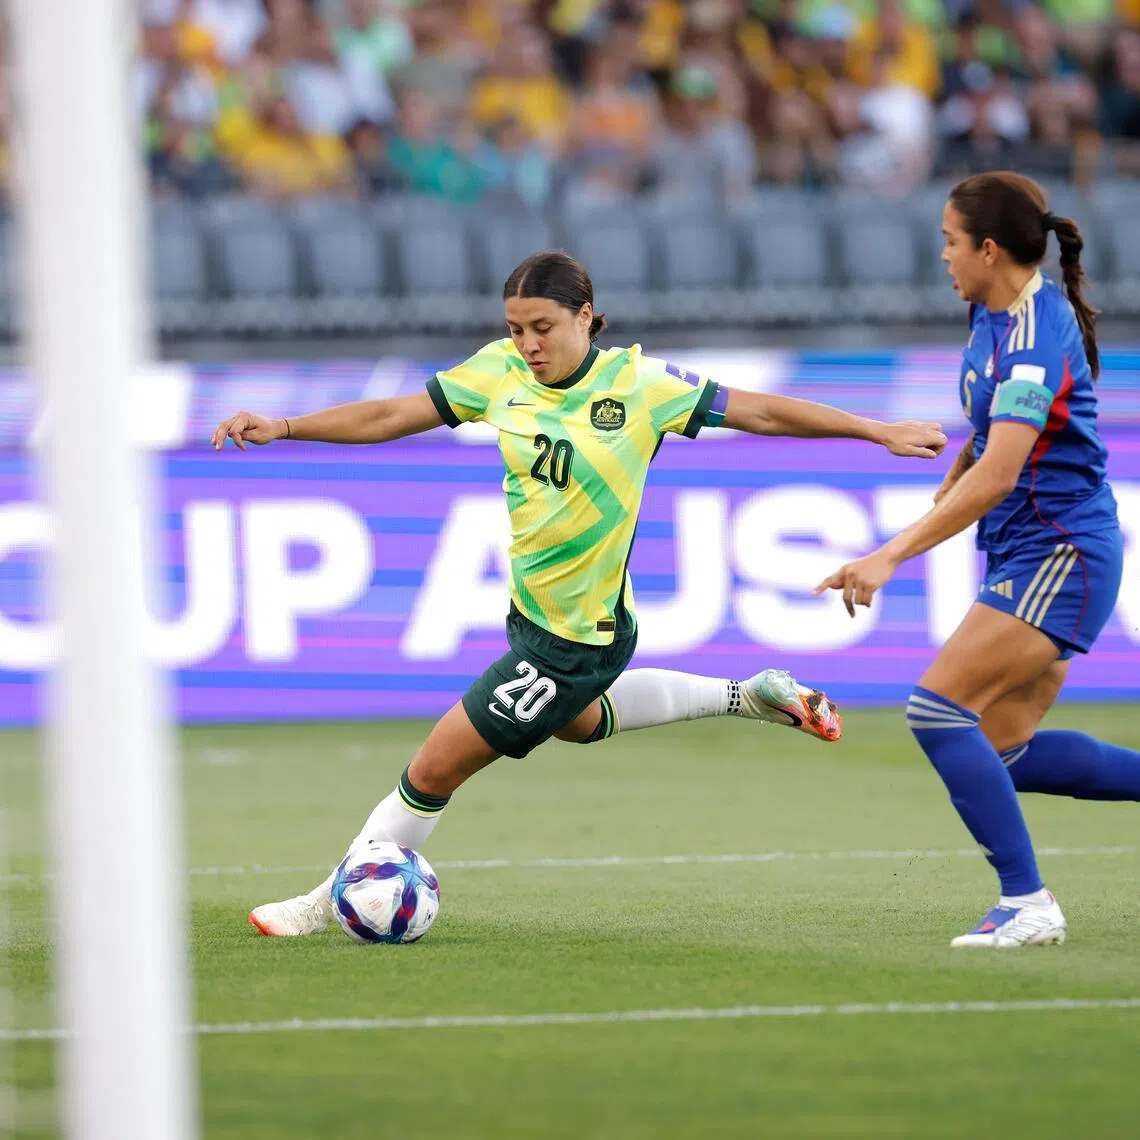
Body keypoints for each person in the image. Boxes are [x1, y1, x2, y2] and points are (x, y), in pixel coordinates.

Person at [212, 250, 947, 937]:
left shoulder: (638, 387)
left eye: (543, 327)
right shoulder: (497, 374)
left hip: (575, 641)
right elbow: (387, 415)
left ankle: (321, 902)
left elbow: (760, 411)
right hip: (536, 618)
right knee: (578, 724)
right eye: (516, 329)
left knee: (435, 768)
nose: (529, 343)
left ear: (586, 317)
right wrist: (285, 425)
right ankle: (750, 696)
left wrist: (874, 430)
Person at [817, 171, 1140, 950]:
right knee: (1004, 751)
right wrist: (952, 473)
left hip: (1064, 551)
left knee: (936, 709)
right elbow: (989, 440)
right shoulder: (989, 312)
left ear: (989, 250)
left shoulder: (1036, 335)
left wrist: (891, 554)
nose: (943, 256)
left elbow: (1005, 470)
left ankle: (1028, 902)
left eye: (949, 241)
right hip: (1031, 549)